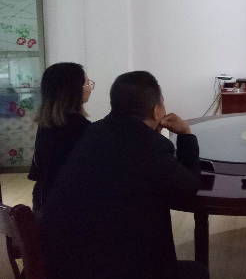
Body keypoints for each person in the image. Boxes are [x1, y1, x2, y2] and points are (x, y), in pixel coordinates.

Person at [39, 71, 209, 279]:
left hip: (62, 262)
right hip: (109, 268)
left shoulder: (94, 131)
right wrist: (186, 134)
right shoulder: (151, 147)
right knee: (198, 272)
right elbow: (190, 186)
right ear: (156, 111)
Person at [28, 62, 94, 218]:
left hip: (43, 203)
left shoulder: (46, 125)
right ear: (74, 91)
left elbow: (37, 171)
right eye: (87, 83)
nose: (90, 88)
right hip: (68, 212)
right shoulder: (82, 129)